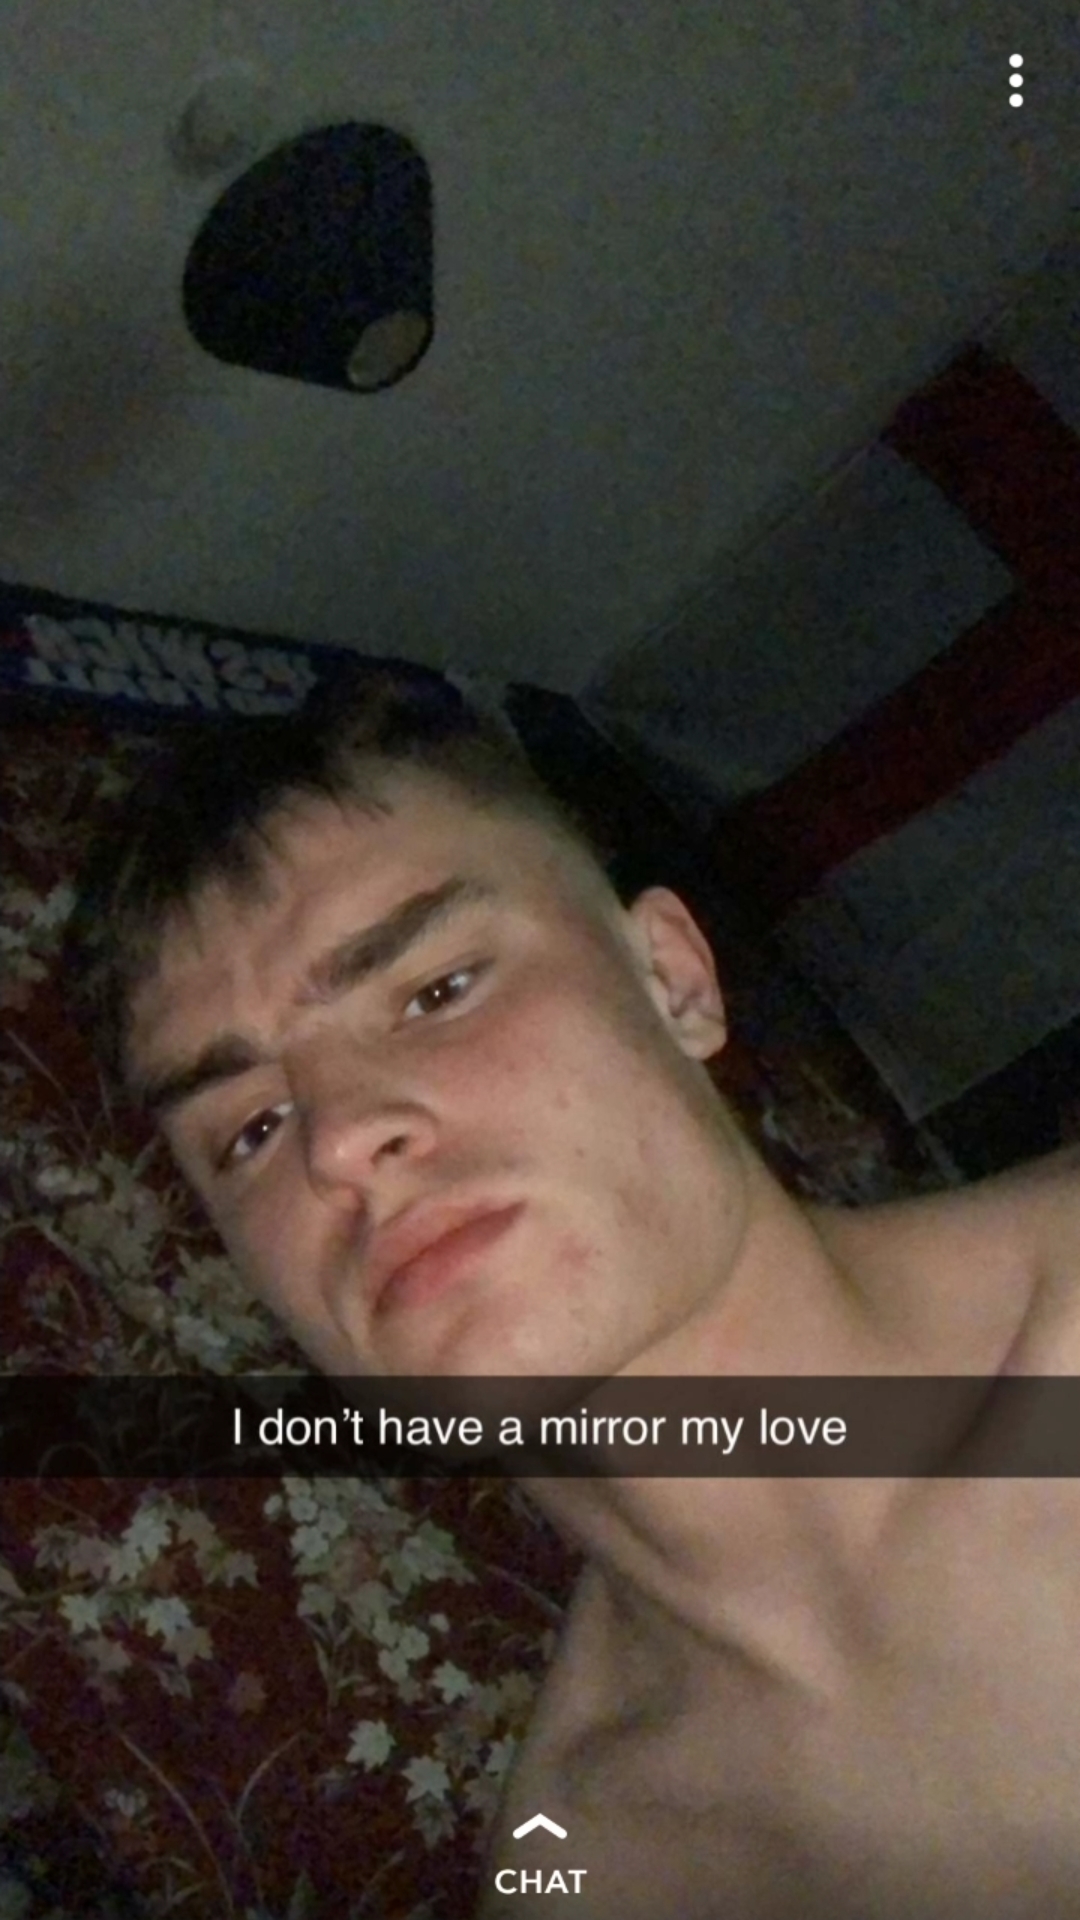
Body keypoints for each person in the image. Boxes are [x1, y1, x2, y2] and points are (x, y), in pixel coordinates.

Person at [66, 666, 1080, 1919]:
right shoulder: (581, 1870)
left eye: (434, 992)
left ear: (674, 980)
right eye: (251, 1129)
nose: (338, 1143)